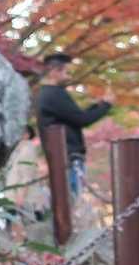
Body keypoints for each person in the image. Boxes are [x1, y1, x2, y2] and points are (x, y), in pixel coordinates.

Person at [35, 53, 111, 198]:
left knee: (68, 198)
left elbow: (74, 116)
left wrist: (97, 106)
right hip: (68, 156)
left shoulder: (47, 94)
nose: (69, 76)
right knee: (71, 198)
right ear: (54, 71)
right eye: (66, 72)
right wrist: (105, 106)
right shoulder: (54, 94)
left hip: (62, 155)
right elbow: (81, 119)